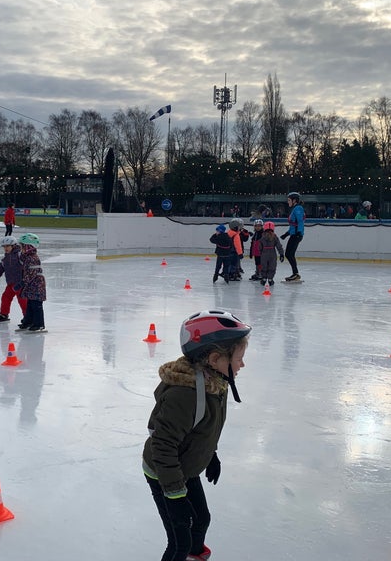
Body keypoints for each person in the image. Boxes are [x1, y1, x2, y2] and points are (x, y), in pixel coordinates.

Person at [143, 309, 251, 561]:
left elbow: (202, 428)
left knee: (201, 520)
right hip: (163, 472)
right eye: (238, 358)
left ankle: (194, 556)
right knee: (179, 541)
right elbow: (163, 446)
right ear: (214, 359)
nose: (242, 364)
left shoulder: (216, 383)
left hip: (186, 465)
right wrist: (175, 495)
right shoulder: (185, 394)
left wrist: (210, 455)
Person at [0, 236, 28, 323]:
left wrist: (25, 279)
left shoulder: (19, 255)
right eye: (4, 246)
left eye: (7, 246)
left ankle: (27, 316)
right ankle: (4, 314)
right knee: (5, 297)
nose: (5, 248)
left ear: (13, 246)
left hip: (20, 284)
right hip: (10, 284)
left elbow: (28, 266)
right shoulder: (5, 259)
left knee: (22, 300)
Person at [16, 233, 46, 331]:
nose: (21, 249)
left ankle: (39, 324)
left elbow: (31, 273)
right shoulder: (28, 257)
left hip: (37, 285)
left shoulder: (32, 258)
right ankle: (28, 321)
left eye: (22, 246)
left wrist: (22, 283)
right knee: (29, 304)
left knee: (36, 305)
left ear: (28, 246)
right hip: (31, 285)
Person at [280, 191, 305, 281]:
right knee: (289, 254)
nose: (288, 202)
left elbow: (300, 222)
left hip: (296, 235)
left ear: (294, 200)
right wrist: (286, 234)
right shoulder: (295, 209)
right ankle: (295, 273)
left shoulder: (298, 208)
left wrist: (299, 233)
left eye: (289, 200)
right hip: (294, 234)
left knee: (289, 254)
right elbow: (293, 225)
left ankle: (295, 273)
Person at [258, 221, 285, 286]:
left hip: (264, 253)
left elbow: (260, 246)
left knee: (264, 266)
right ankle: (270, 278)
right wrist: (281, 254)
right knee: (272, 266)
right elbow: (279, 246)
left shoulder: (262, 237)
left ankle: (264, 278)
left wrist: (260, 253)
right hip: (272, 253)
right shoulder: (274, 237)